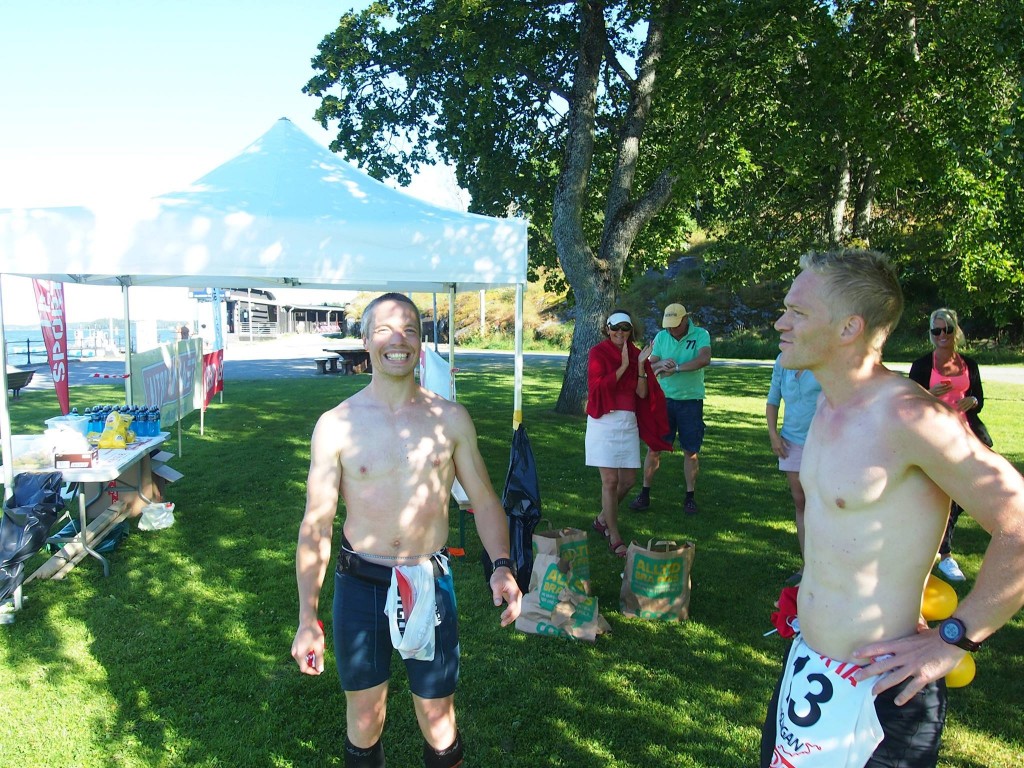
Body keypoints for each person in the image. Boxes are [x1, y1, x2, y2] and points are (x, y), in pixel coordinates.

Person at [761, 249, 1024, 767]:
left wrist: (955, 638)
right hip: (808, 674)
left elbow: (1019, 523)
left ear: (848, 328)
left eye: (797, 312)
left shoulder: (912, 418)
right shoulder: (826, 404)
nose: (779, 323)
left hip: (886, 692)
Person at [291, 293, 522, 768]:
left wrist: (501, 565)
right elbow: (316, 524)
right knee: (365, 715)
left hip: (427, 581)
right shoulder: (335, 425)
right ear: (365, 340)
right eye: (384, 331)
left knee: (437, 716)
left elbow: (482, 498)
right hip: (360, 584)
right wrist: (307, 618)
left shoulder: (450, 419)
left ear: (421, 341)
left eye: (410, 331)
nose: (398, 342)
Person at [908, 308, 990, 583]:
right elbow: (908, 403)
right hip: (935, 437)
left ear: (956, 331)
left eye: (947, 329)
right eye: (936, 331)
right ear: (931, 335)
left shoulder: (969, 364)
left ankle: (941, 548)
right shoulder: (922, 365)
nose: (942, 335)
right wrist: (929, 395)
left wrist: (974, 402)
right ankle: (943, 555)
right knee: (939, 493)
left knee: (968, 492)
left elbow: (977, 396)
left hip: (966, 435)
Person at [585, 310, 668, 557]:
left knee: (629, 481)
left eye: (625, 329)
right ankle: (614, 535)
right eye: (615, 328)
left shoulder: (636, 354)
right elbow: (598, 388)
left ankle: (602, 519)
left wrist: (640, 364)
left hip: (627, 421)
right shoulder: (598, 352)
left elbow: (642, 393)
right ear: (607, 329)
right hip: (603, 421)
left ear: (632, 330)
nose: (619, 333)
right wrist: (623, 366)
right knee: (610, 482)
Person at [629, 303, 711, 515]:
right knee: (654, 448)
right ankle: (645, 493)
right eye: (669, 325)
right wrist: (660, 363)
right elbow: (651, 364)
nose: (671, 329)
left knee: (690, 450)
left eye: (675, 325)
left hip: (690, 401)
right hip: (663, 400)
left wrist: (676, 369)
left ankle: (690, 497)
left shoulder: (701, 335)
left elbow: (704, 359)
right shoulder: (662, 337)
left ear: (685, 319)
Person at [765, 355, 821, 581]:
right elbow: (772, 400)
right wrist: (773, 434)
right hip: (791, 442)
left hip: (822, 441)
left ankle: (827, 565)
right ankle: (807, 566)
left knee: (823, 503)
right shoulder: (783, 361)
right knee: (801, 502)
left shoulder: (820, 356)